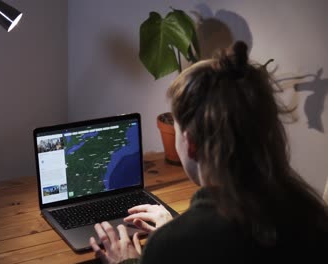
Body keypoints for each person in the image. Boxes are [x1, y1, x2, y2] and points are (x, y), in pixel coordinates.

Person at [89, 41, 328, 263]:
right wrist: (176, 227)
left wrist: (129, 260)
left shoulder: (171, 246)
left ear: (190, 143)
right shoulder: (310, 214)